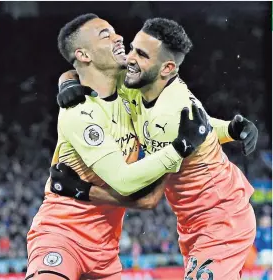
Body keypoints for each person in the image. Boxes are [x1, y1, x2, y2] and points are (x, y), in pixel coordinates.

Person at [52, 17, 258, 280]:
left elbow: (147, 197)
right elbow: (81, 66)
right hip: (194, 222)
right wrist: (67, 82)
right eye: (133, 48)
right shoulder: (139, 85)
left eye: (141, 54)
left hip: (221, 219)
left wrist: (81, 191)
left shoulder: (169, 115)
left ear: (167, 67)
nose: (129, 58)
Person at [26, 14, 211, 280]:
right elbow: (127, 184)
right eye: (105, 34)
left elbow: (148, 200)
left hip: (105, 251)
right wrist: (180, 148)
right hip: (61, 235)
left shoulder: (133, 92)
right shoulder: (80, 112)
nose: (119, 37)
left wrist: (230, 130)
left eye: (115, 32)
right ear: (84, 54)